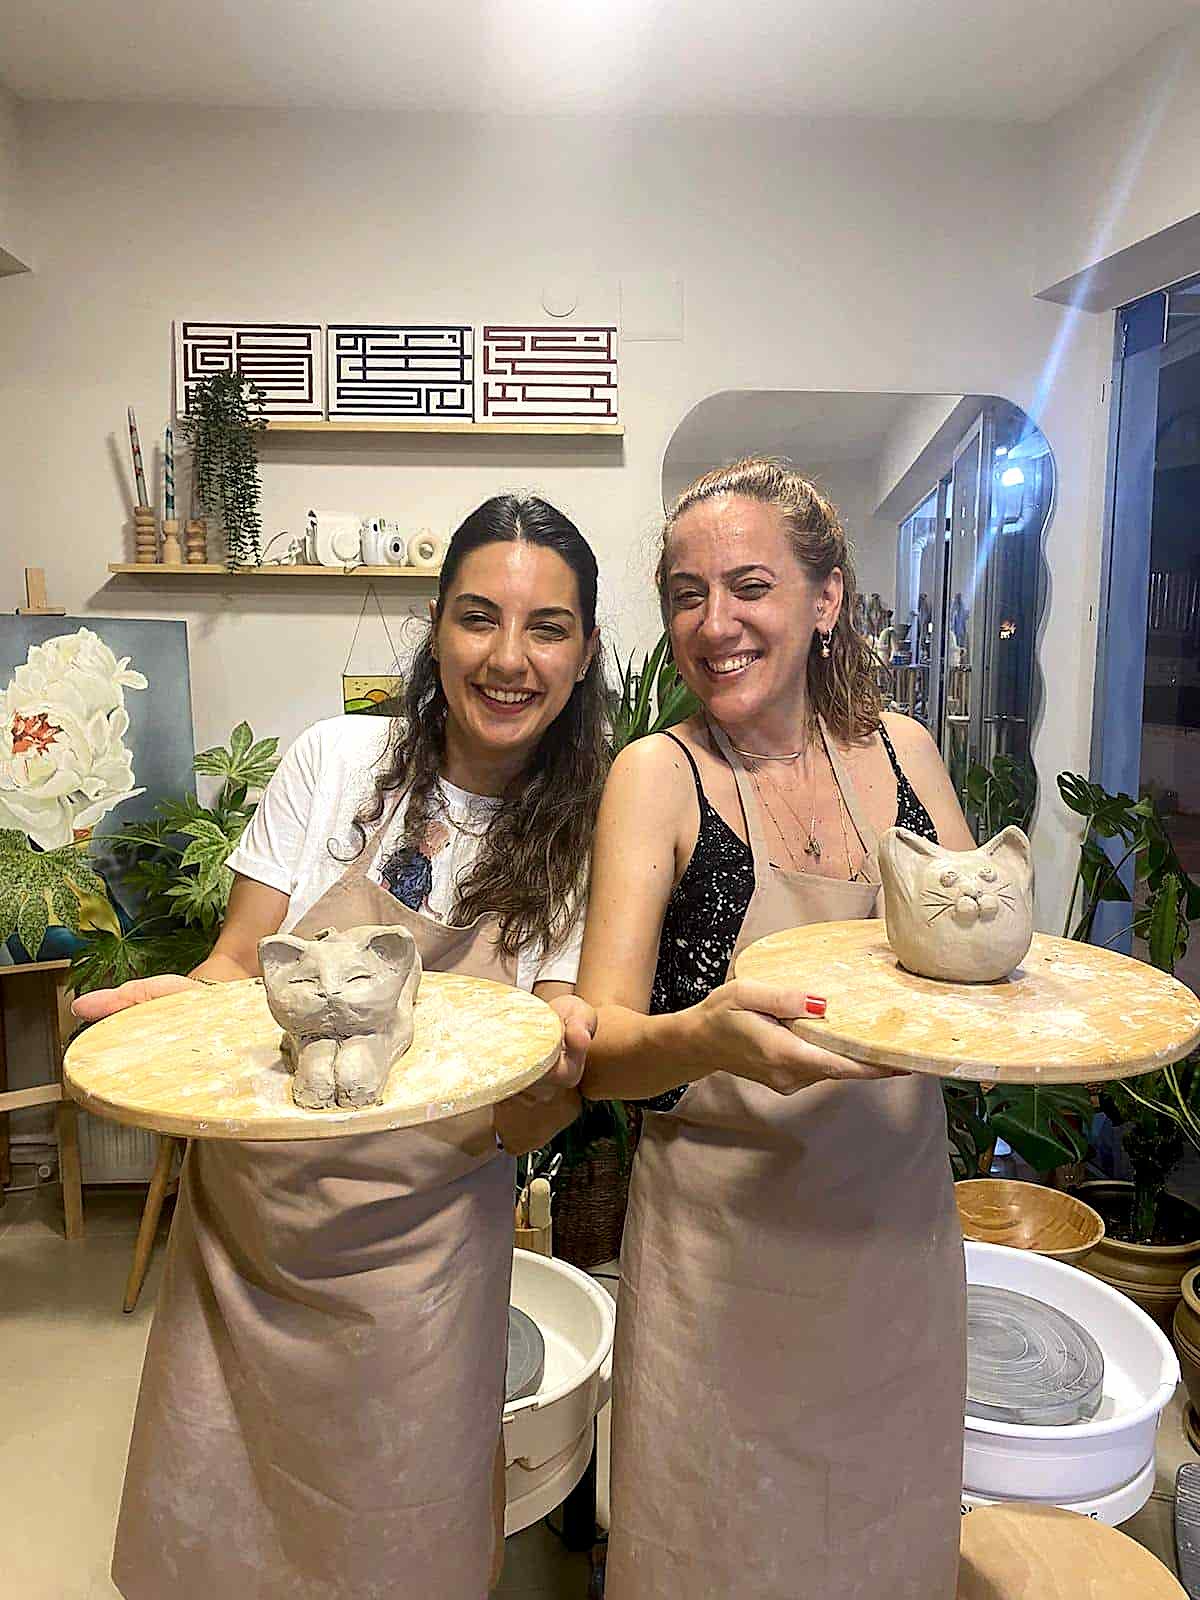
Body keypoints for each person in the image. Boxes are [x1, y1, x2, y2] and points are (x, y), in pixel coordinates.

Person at [75, 493, 608, 1600]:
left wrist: (561, 1075)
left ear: (585, 649)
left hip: (426, 1262)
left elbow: (541, 1098)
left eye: (546, 628)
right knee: (227, 1535)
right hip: (253, 1238)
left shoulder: (586, 837)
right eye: (477, 617)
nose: (508, 658)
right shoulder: (336, 761)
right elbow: (238, 965)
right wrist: (182, 1013)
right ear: (436, 627)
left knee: (396, 1541)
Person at [576, 458, 972, 1599]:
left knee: (880, 1535)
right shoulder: (658, 776)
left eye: (750, 587)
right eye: (687, 595)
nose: (716, 625)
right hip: (725, 1256)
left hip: (895, 1233)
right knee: (715, 1545)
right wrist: (706, 1038)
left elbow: (974, 959)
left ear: (826, 598)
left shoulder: (906, 753)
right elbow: (599, 1050)